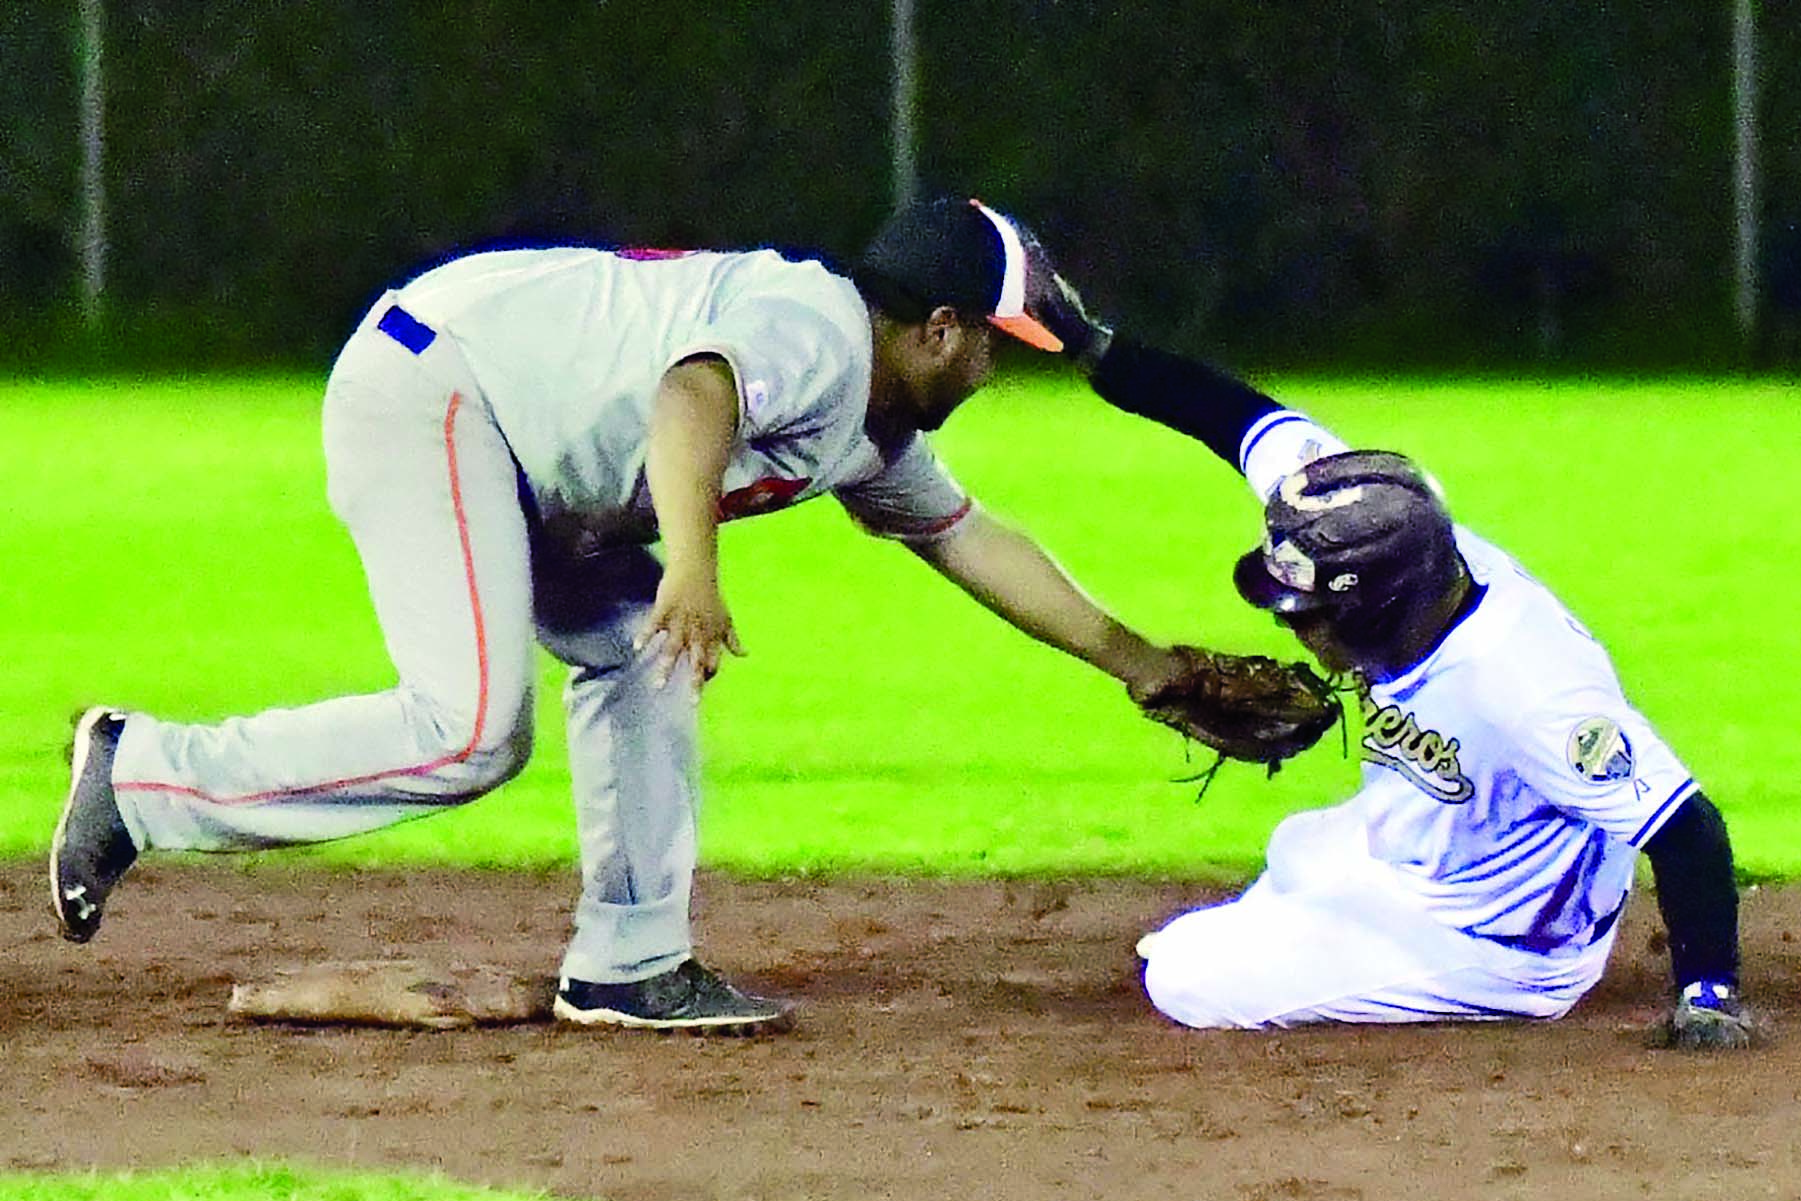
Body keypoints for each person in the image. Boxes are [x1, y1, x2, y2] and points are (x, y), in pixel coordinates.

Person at [48, 197, 1186, 1035]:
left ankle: (630, 965)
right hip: (443, 388)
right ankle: (142, 776)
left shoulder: (871, 419)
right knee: (471, 729)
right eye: (995, 343)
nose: (996, 368)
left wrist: (1148, 667)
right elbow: (692, 393)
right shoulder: (820, 336)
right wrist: (693, 568)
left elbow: (970, 540)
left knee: (645, 657)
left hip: (522, 444)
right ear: (940, 328)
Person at [1061, 326, 1751, 1045]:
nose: (1293, 630)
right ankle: (1322, 922)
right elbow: (1233, 418)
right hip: (1424, 851)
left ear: (1377, 607)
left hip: (1498, 943)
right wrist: (1086, 341)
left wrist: (1708, 995)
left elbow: (1687, 828)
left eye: (1310, 614)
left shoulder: (1525, 684)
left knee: (1185, 976)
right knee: (1298, 848)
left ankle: (1404, 960)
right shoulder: (1366, 522)